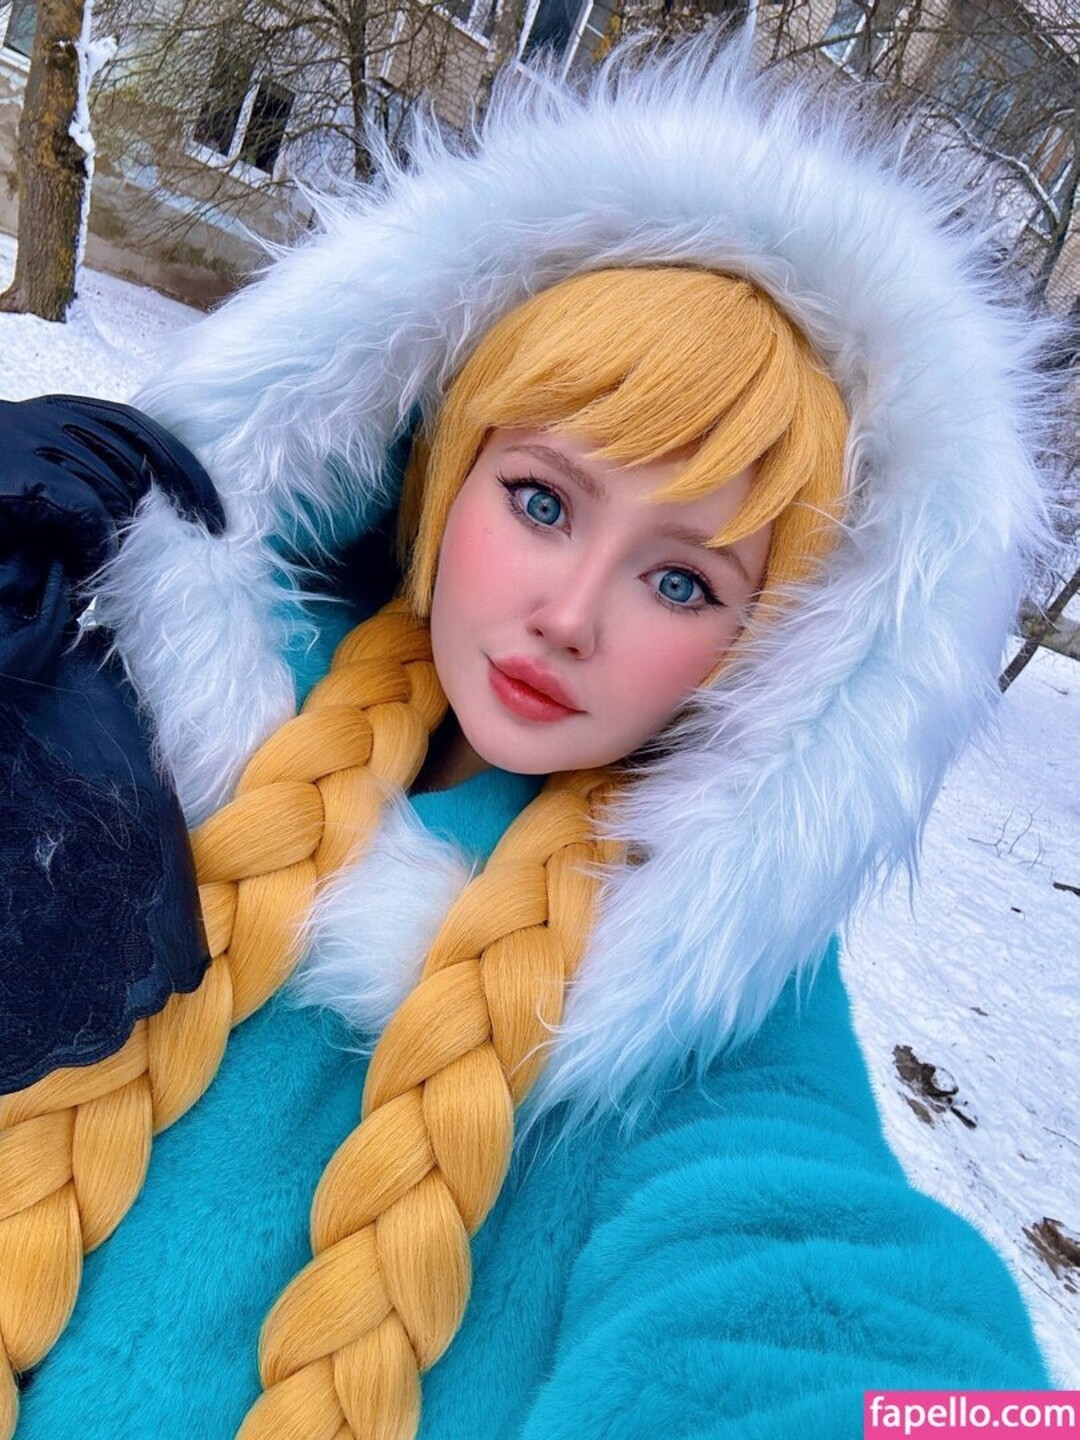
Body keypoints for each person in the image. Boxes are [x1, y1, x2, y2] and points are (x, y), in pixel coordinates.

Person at [0, 34, 1059, 1440]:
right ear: (443, 474)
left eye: (681, 582)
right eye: (545, 502)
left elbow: (821, 1301)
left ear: (766, 650)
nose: (569, 616)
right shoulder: (124, 701)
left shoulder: (702, 978)